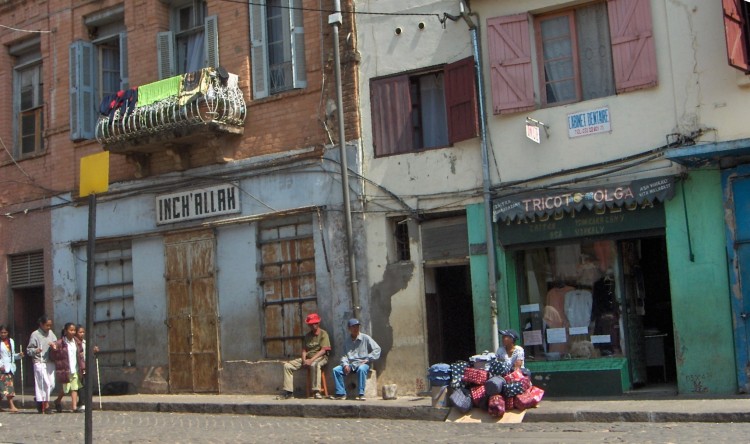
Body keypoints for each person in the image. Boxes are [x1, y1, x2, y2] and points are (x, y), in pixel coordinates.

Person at [279, 313, 331, 400]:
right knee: (287, 366)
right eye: (310, 324)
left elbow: (323, 350)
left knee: (315, 364)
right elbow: (304, 350)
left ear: (318, 323)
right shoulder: (307, 336)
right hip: (307, 358)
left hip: (320, 357)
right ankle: (288, 392)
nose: (312, 325)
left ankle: (316, 391)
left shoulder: (323, 334)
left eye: (314, 323)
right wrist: (304, 360)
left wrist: (311, 360)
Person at [331, 319, 381, 401]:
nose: (355, 328)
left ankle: (361, 393)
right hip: (351, 364)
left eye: (357, 326)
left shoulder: (366, 338)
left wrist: (368, 358)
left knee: (361, 369)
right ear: (349, 329)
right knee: (336, 370)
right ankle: (341, 393)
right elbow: (344, 356)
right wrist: (345, 364)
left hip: (363, 363)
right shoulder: (346, 342)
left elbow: (377, 349)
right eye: (353, 327)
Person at [51, 323, 85, 413]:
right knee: (65, 389)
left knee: (75, 387)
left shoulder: (77, 342)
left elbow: (80, 355)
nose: (73, 332)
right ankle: (57, 400)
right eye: (71, 330)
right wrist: (54, 349)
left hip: (75, 368)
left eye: (74, 330)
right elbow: (55, 356)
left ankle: (74, 407)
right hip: (65, 369)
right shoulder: (60, 343)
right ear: (65, 331)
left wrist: (83, 366)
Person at [27, 315, 58, 414]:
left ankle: (39, 399)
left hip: (50, 361)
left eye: (50, 325)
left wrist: (54, 346)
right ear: (41, 324)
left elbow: (56, 344)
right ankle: (46, 405)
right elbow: (29, 350)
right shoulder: (35, 334)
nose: (49, 327)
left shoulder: (51, 333)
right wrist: (36, 350)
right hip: (39, 361)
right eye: (47, 325)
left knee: (52, 384)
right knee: (45, 383)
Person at [75, 325, 99, 412]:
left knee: (88, 384)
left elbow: (89, 353)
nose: (82, 334)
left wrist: (94, 351)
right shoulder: (75, 343)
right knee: (81, 386)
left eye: (83, 332)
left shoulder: (85, 343)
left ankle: (86, 403)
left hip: (87, 366)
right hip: (78, 367)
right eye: (80, 332)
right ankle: (81, 403)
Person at [0, 325, 23, 412]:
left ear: (8, 333)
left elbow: (12, 355)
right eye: (1, 332)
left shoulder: (11, 342)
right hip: (2, 368)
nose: (3, 334)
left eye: (5, 332)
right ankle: (11, 406)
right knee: (7, 387)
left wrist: (19, 356)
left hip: (10, 368)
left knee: (3, 389)